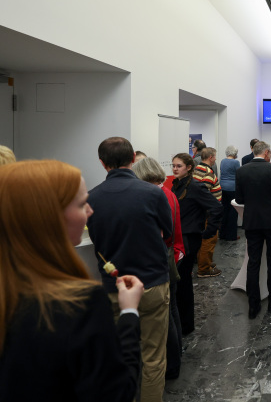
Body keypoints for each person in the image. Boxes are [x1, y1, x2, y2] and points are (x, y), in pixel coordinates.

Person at [0, 160, 145, 402]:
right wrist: (129, 313)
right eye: (81, 204)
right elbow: (118, 393)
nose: (90, 211)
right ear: (47, 217)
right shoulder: (80, 302)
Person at [87, 137, 173, 401]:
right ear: (134, 159)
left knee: (118, 352)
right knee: (154, 356)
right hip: (152, 283)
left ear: (102, 163)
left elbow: (95, 238)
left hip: (114, 286)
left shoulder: (92, 197)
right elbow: (167, 234)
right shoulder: (153, 193)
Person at [132, 156, 185, 380]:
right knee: (172, 309)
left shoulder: (156, 195)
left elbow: (162, 232)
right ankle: (176, 357)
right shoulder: (168, 192)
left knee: (168, 313)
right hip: (173, 253)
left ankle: (172, 363)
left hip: (163, 257)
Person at [171, 153, 222, 335]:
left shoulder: (195, 186)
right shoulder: (177, 185)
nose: (175, 169)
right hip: (180, 238)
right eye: (173, 166)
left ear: (189, 167)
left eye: (179, 166)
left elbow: (216, 207)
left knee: (183, 281)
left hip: (189, 239)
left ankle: (186, 325)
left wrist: (207, 232)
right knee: (181, 281)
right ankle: (183, 323)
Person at [235, 141, 271, 319]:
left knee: (253, 262)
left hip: (252, 222)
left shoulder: (241, 171)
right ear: (266, 153)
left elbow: (239, 199)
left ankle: (253, 304)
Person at [193, 147, 222, 278]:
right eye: (215, 156)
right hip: (208, 214)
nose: (215, 159)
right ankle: (204, 269)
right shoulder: (208, 173)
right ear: (210, 157)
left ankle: (205, 262)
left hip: (201, 213)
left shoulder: (197, 169)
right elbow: (205, 195)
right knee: (208, 241)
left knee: (202, 241)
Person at [219, 145, 241, 240]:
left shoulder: (222, 161)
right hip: (233, 188)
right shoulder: (236, 162)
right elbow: (238, 174)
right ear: (235, 153)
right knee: (233, 212)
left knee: (224, 211)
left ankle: (222, 234)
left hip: (222, 187)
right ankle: (231, 235)